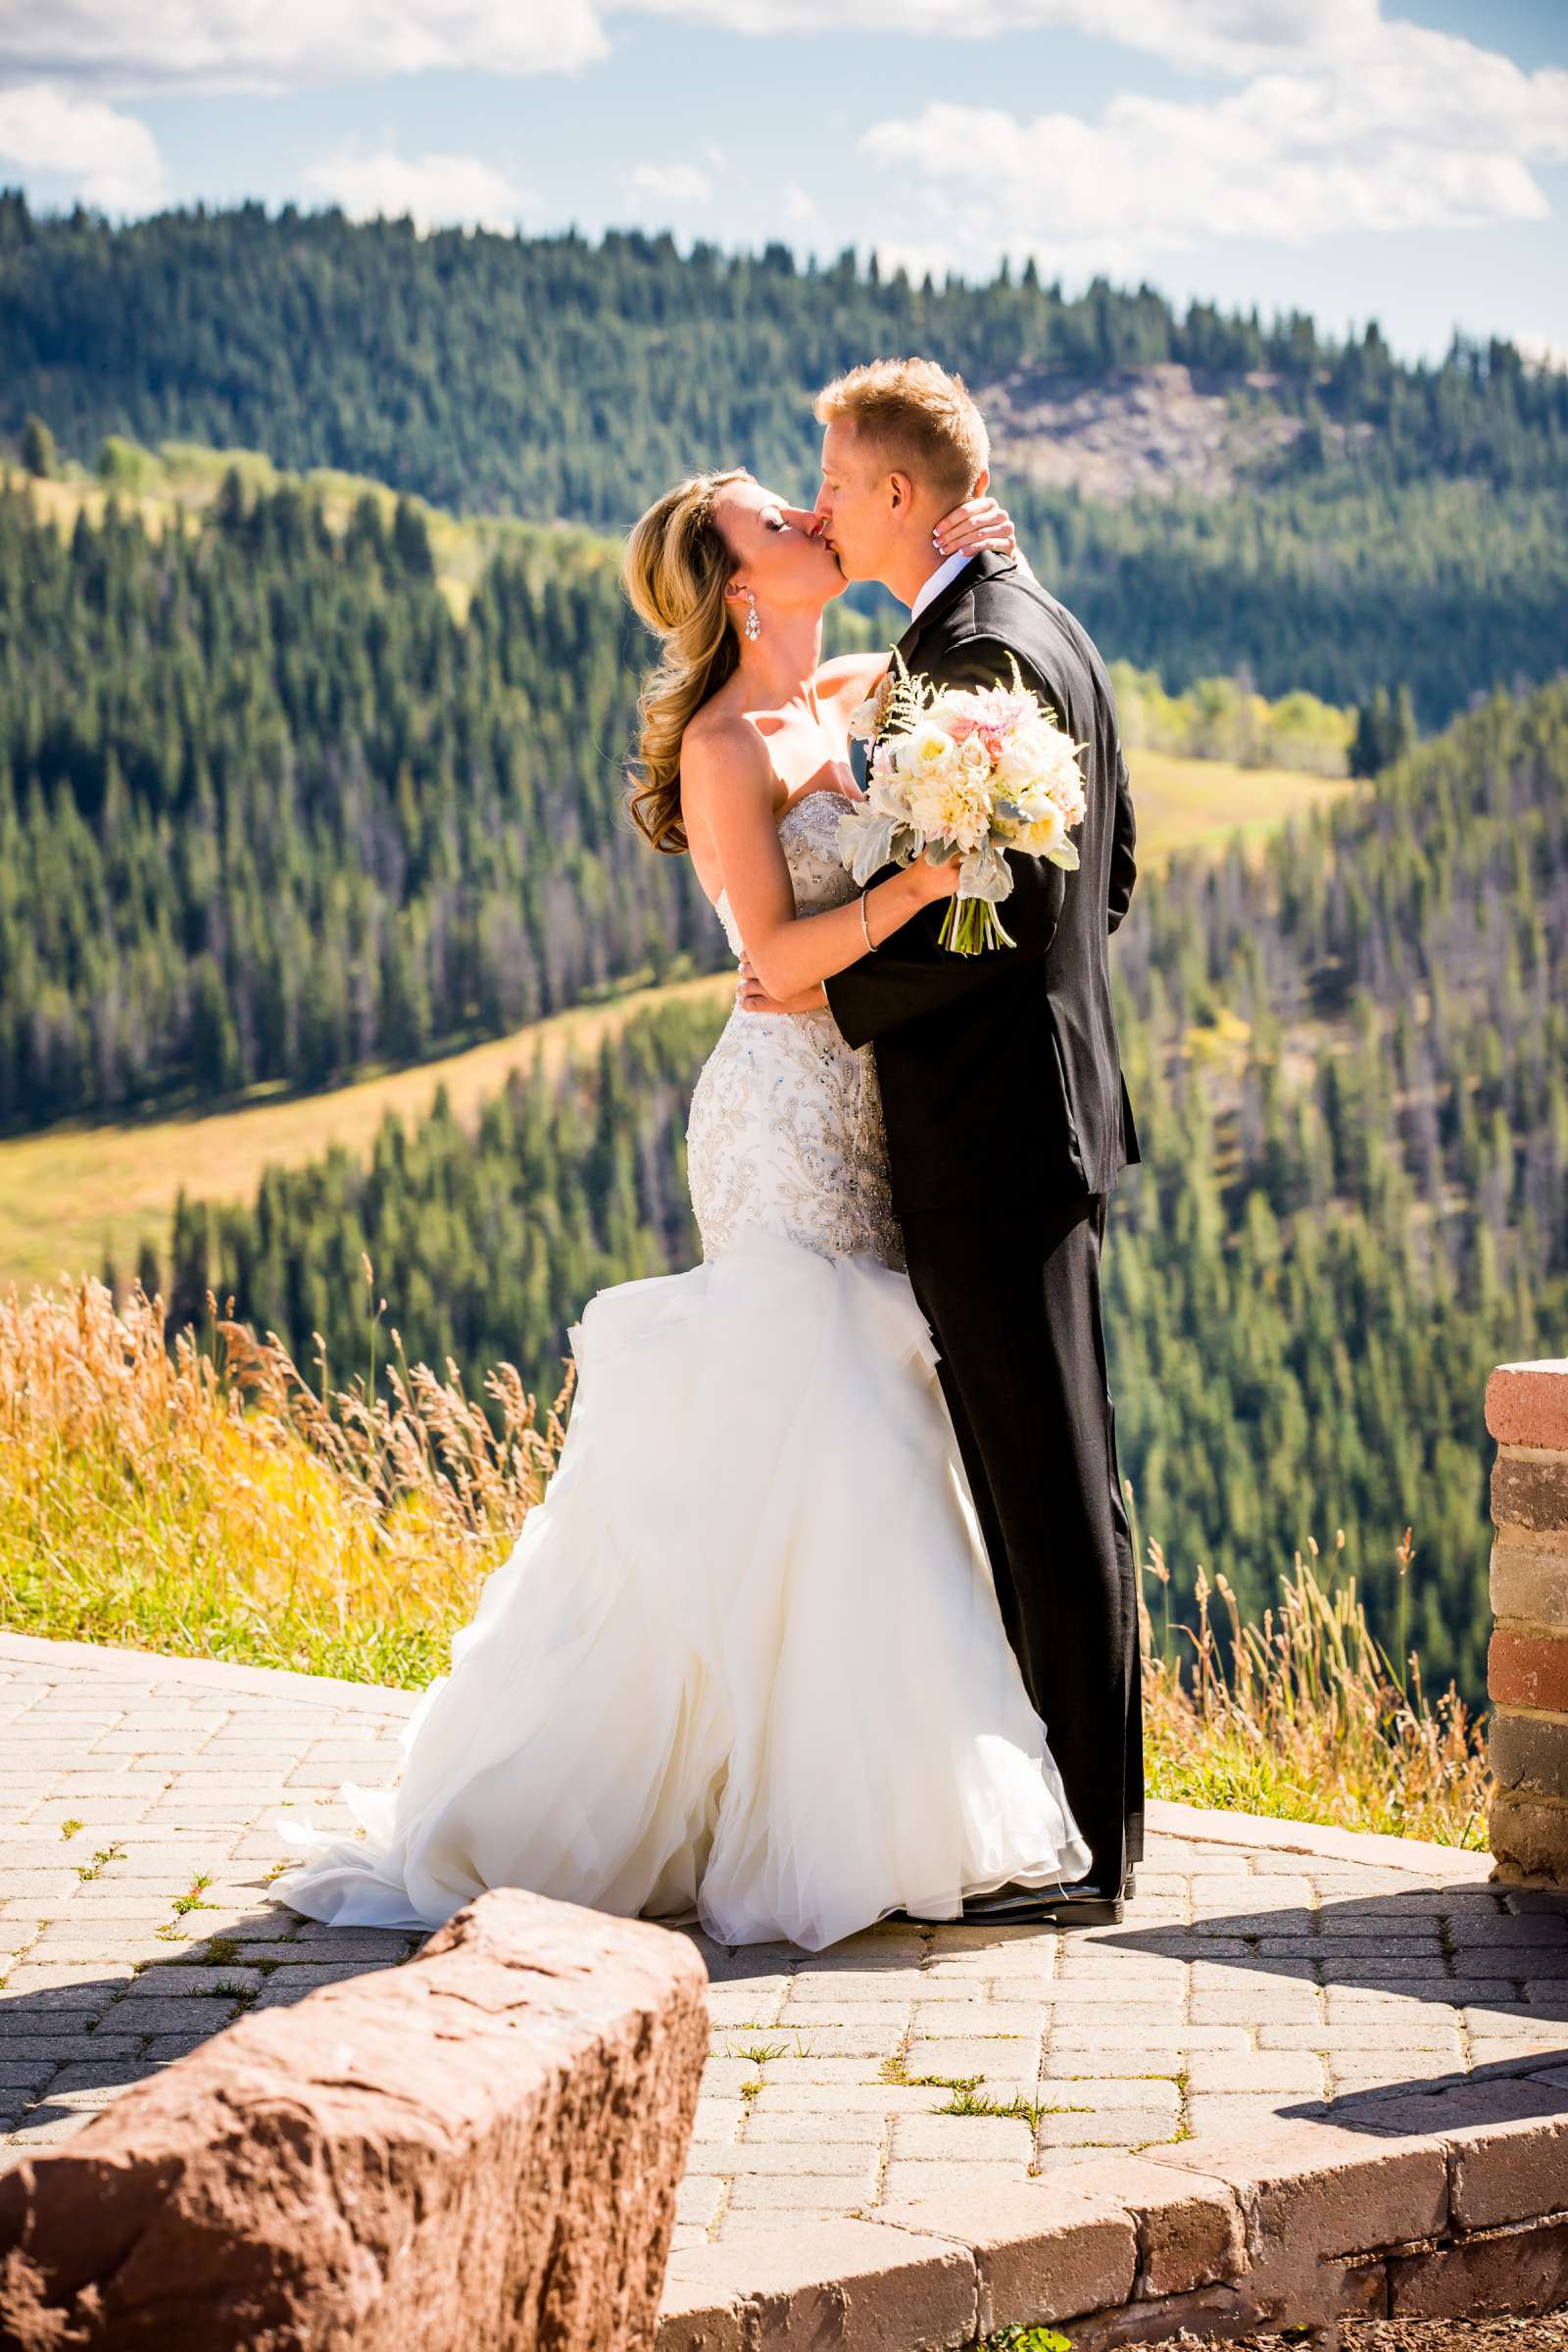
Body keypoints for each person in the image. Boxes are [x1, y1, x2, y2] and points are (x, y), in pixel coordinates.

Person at [270, 463, 1097, 1954]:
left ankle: (822, 1781)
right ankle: (756, 1812)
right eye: (779, 523)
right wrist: (929, 888)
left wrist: (986, 553)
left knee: (855, 1437)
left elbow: (945, 648)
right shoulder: (727, 742)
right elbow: (775, 964)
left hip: (861, 1112)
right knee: (820, 1413)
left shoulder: (842, 685)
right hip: (779, 1120)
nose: (810, 523)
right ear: (734, 586)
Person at [741, 358, 1144, 1920]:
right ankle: (1076, 1825)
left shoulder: (982, 652)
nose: (822, 502)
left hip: (996, 1131)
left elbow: (1028, 904)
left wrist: (831, 988)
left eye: (834, 479)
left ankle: (1090, 1852)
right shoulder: (1014, 625)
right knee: (1046, 1478)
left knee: (1047, 1487)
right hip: (1021, 1107)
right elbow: (1105, 885)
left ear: (901, 496)